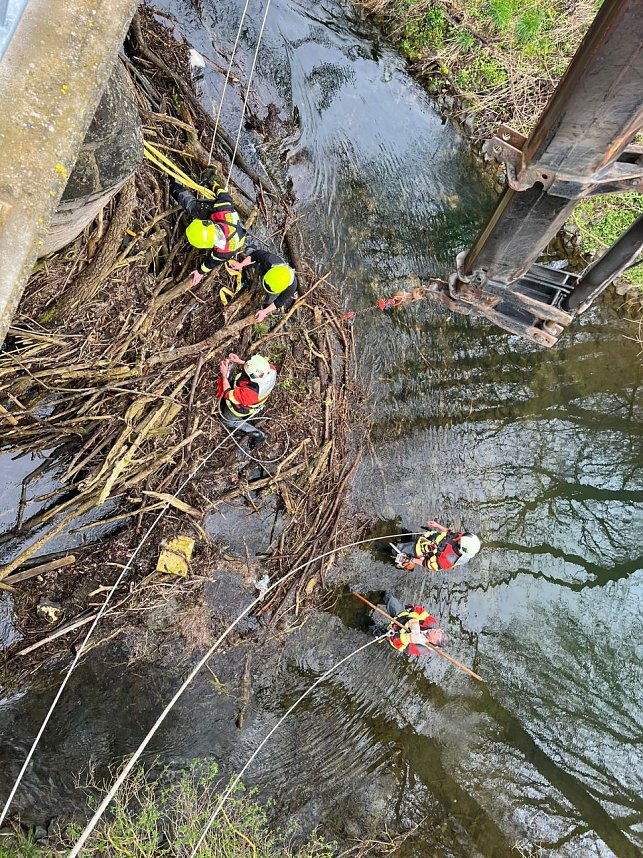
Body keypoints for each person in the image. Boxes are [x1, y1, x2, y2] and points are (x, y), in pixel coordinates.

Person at [169, 171, 246, 286]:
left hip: (237, 232)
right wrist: (212, 184)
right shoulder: (223, 209)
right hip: (232, 225)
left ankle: (173, 187)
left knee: (195, 209)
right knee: (193, 207)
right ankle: (172, 185)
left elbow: (211, 262)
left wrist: (200, 272)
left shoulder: (224, 252)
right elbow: (224, 195)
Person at [216, 352, 277, 449]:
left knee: (226, 420)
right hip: (249, 397)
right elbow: (256, 368)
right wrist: (239, 361)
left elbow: (228, 394)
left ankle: (257, 434)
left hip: (240, 408)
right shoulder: (271, 370)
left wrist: (224, 375)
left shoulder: (251, 392)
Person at [228, 248, 297, 323]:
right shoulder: (270, 260)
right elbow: (256, 254)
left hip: (272, 287)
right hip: (265, 270)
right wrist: (241, 264)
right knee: (251, 255)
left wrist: (264, 312)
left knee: (268, 300)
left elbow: (279, 302)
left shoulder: (291, 287)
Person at [392, 520, 481, 573]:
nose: (461, 537)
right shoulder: (463, 537)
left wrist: (412, 560)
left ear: (461, 548)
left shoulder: (449, 561)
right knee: (406, 534)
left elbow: (429, 564)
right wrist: (437, 525)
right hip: (425, 538)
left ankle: (388, 551)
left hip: (418, 551)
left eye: (461, 540)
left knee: (394, 549)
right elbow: (450, 533)